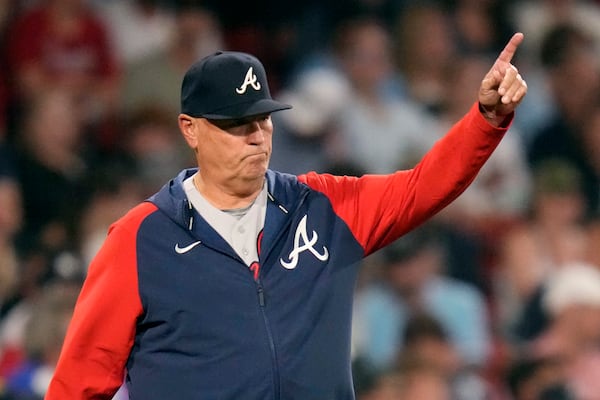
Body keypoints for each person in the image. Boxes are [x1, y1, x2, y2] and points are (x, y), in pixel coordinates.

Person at [45, 32, 528, 399]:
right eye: (237, 124)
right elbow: (78, 383)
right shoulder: (139, 238)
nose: (257, 135)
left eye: (263, 118)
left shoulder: (321, 206)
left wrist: (484, 120)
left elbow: (424, 187)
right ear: (191, 130)